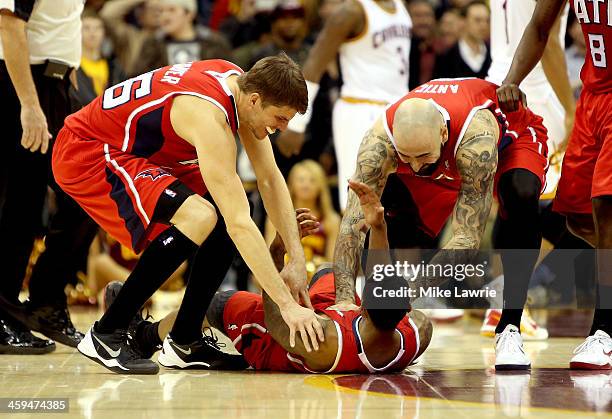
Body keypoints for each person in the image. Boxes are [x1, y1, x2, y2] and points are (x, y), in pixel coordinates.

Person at [53, 53, 323, 374]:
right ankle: (107, 332)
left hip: (144, 155)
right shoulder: (208, 115)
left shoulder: (240, 86)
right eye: (280, 118)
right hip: (90, 149)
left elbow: (269, 177)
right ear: (255, 100)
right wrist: (287, 306)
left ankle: (184, 340)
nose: (281, 128)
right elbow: (241, 226)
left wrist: (294, 259)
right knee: (202, 215)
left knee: (226, 212)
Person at [331, 77, 549, 371]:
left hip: (511, 138)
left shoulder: (475, 135)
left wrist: (408, 293)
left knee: (520, 194)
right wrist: (343, 300)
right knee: (389, 202)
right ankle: (376, 301)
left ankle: (509, 327)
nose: (417, 166)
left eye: (422, 156)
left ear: (443, 133)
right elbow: (353, 224)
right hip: (444, 159)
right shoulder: (378, 141)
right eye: (407, 157)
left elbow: (467, 239)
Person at [106, 183, 432, 373]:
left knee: (217, 303)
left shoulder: (324, 343)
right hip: (338, 320)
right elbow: (382, 276)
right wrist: (378, 226)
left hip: (278, 340)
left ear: (363, 307)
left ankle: (146, 335)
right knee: (328, 274)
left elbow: (278, 321)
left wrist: (277, 252)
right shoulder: (417, 329)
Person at [497, 0, 612, 370]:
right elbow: (539, 27)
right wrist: (511, 80)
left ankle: (604, 332)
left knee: (606, 208)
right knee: (575, 220)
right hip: (592, 99)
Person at [481, 0, 574, 343]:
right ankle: (508, 297)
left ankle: (500, 302)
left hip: (496, 84)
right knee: (560, 204)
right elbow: (545, 39)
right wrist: (570, 107)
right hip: (533, 89)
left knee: (511, 205)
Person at [0, 0, 89, 354]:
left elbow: (62, 26)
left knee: (84, 193)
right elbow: (9, 25)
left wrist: (70, 85)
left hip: (58, 86)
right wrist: (29, 105)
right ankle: (4, 310)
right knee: (21, 203)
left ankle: (45, 302)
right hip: (20, 85)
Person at [277, 0, 412, 210]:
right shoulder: (351, 11)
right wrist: (297, 122)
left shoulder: (399, 6)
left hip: (398, 112)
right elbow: (314, 64)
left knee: (395, 206)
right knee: (356, 202)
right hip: (360, 110)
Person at [266, 160, 340, 276]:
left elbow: (332, 263)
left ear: (321, 186)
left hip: (317, 280)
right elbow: (269, 257)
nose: (306, 185)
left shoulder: (331, 220)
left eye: (312, 180)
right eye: (301, 180)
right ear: (291, 184)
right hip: (283, 277)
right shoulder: (276, 217)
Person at [132, 0, 231, 75]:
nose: (164, 16)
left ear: (189, 14)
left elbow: (229, 76)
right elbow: (139, 78)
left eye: (171, 10)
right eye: (161, 11)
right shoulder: (153, 44)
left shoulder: (214, 42)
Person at [99, 0, 162, 76]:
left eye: (161, 10)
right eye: (152, 9)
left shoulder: (171, 35)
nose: (157, 13)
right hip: (135, 83)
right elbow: (108, 14)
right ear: (140, 15)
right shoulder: (129, 36)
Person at [433, 0, 491, 80]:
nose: (484, 25)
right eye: (477, 20)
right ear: (463, 21)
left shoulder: (494, 55)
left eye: (487, 21)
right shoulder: (446, 57)